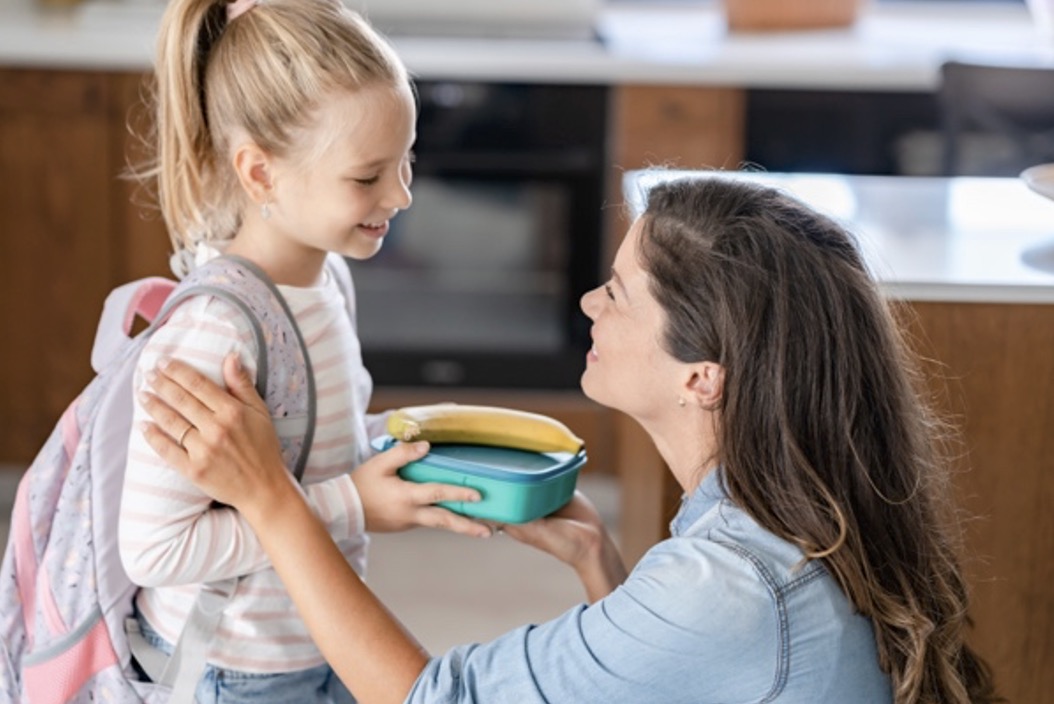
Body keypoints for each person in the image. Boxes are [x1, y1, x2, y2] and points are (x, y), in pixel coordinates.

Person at [136, 174, 1001, 703]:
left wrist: (271, 500)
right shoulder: (768, 511)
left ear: (704, 375)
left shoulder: (729, 585)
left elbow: (433, 699)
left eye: (619, 293)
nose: (589, 303)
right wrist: (602, 571)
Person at [120, 0, 490, 701]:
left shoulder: (327, 280)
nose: (403, 195)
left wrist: (392, 437)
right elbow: (155, 547)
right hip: (234, 673)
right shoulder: (214, 333)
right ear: (260, 175)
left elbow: (297, 454)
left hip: (321, 639)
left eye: (405, 162)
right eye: (368, 177)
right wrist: (351, 505)